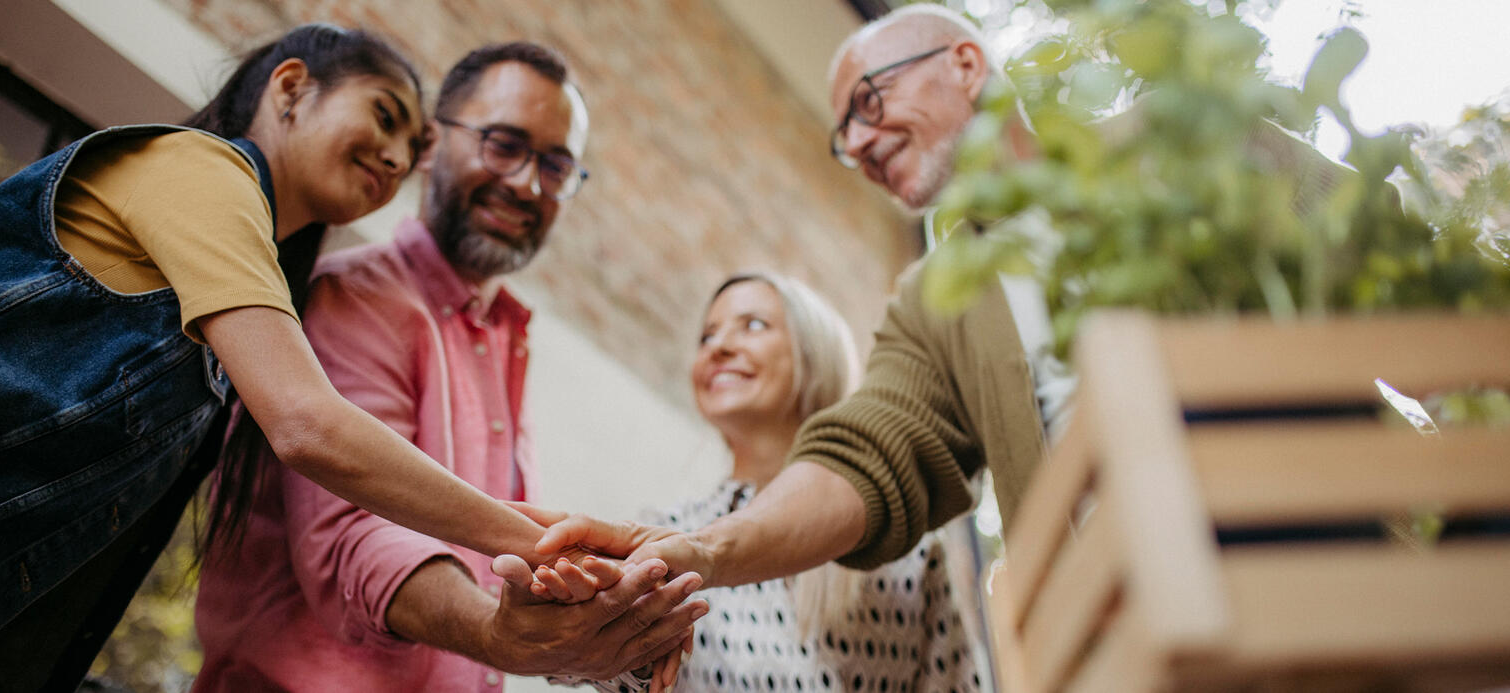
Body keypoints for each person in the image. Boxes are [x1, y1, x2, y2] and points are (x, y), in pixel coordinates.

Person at [536, 3, 1358, 589]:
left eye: (867, 102)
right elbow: (862, 456)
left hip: (1334, 570)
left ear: (965, 65)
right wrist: (705, 551)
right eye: (840, 136)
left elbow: (1412, 280)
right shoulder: (936, 298)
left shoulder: (1179, 141)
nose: (855, 145)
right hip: (1118, 633)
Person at [0, 24, 643, 692]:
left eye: (408, 148)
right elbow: (309, 425)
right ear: (291, 88)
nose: (392, 156)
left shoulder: (251, 305)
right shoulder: (200, 170)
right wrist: (546, 544)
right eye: (383, 116)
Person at [192, 42, 703, 692]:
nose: (526, 182)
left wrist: (590, 625)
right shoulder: (354, 298)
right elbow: (357, 535)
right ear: (430, 144)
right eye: (503, 143)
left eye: (555, 164)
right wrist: (498, 633)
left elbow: (506, 577)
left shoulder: (504, 338)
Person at [589, 273, 988, 693]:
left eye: (754, 325)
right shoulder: (669, 534)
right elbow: (592, 664)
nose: (718, 347)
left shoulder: (907, 550)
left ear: (815, 353)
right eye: (706, 336)